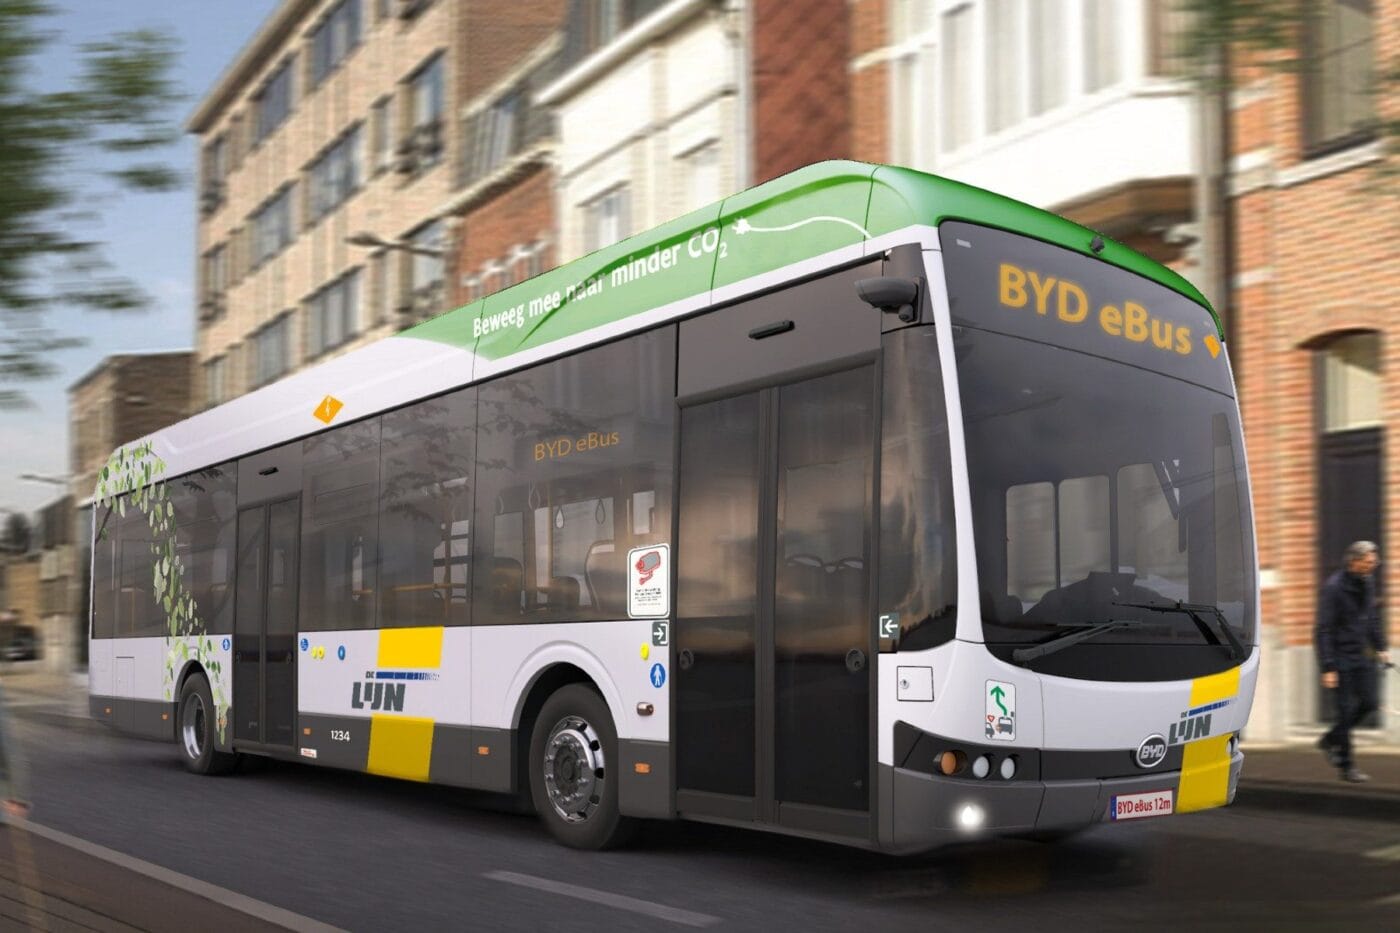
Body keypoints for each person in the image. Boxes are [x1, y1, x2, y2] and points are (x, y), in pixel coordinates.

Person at [1315, 541, 1390, 782]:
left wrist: (1380, 647)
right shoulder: (1334, 588)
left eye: (1374, 562)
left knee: (1370, 703)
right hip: (1340, 659)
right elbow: (1323, 629)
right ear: (1354, 561)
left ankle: (1330, 739)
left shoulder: (1366, 582)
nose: (1372, 566)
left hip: (1361, 655)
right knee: (1345, 711)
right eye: (1368, 562)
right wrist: (1328, 667)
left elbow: (1371, 618)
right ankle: (1347, 767)